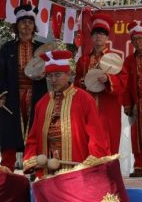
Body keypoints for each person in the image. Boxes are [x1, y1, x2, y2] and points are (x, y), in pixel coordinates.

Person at [24, 49, 111, 178]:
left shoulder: (84, 99)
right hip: (47, 173)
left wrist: (93, 160)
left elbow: (97, 136)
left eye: (57, 75)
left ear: (69, 74)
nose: (53, 80)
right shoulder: (42, 103)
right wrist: (31, 160)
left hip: (77, 171)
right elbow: (33, 137)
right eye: (50, 75)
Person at [0, 4, 48, 171]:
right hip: (12, 96)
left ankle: (33, 165)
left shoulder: (41, 48)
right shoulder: (7, 48)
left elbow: (52, 70)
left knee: (35, 129)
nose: (26, 25)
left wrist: (45, 74)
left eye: (30, 22)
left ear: (34, 25)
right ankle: (7, 166)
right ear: (16, 25)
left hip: (36, 94)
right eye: (23, 22)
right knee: (9, 131)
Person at [75, 13, 125, 156]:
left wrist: (109, 80)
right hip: (87, 107)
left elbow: (123, 82)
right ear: (91, 37)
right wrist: (82, 82)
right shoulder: (83, 61)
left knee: (109, 138)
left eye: (102, 33)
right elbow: (76, 82)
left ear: (107, 38)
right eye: (96, 33)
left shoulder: (115, 59)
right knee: (88, 137)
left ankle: (108, 172)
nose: (99, 36)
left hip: (108, 106)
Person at [122, 20, 142, 178]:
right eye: (134, 40)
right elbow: (125, 84)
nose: (137, 42)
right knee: (136, 136)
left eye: (140, 39)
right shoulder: (128, 60)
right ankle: (138, 166)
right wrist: (126, 103)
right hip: (136, 102)